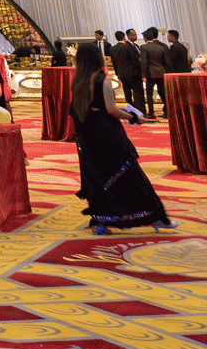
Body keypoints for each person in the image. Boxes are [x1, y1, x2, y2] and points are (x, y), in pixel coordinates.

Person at [69, 40, 173, 234]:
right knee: (129, 172)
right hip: (107, 133)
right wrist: (133, 117)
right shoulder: (102, 78)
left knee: (99, 177)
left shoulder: (78, 80)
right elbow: (110, 110)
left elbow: (79, 109)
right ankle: (156, 217)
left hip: (88, 135)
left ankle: (100, 222)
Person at [111, 31, 144, 112]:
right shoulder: (128, 47)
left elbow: (114, 63)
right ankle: (140, 110)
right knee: (137, 93)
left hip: (122, 74)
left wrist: (117, 74)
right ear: (124, 37)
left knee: (127, 93)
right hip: (133, 73)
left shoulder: (112, 48)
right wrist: (141, 72)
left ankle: (130, 110)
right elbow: (135, 61)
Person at [141, 28, 169, 118]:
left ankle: (151, 112)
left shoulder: (143, 47)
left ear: (145, 38)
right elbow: (166, 61)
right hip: (161, 72)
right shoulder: (160, 47)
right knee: (162, 93)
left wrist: (143, 75)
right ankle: (167, 111)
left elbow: (144, 62)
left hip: (150, 73)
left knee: (149, 93)